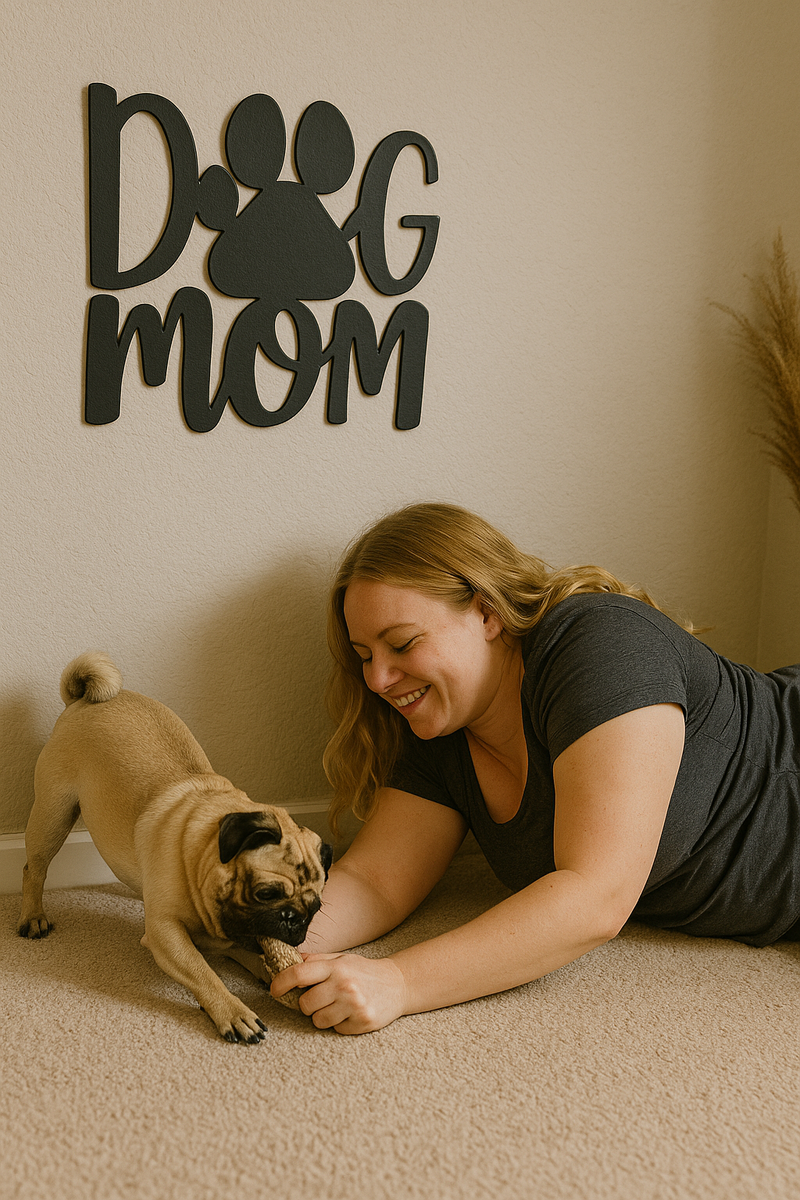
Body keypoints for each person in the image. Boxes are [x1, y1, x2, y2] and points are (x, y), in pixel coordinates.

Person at [270, 501, 800, 1034]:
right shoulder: (442, 722)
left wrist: (400, 982)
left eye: (402, 643)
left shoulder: (600, 644)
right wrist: (244, 925)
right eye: (364, 654)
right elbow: (375, 882)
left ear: (487, 612)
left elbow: (597, 894)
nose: (379, 680)